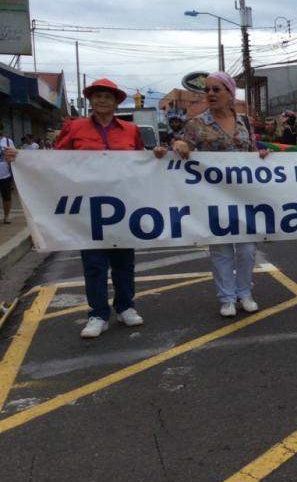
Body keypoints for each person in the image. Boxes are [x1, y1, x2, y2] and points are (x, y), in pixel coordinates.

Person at [40, 79, 164, 337]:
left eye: (108, 96)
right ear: (90, 100)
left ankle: (126, 307)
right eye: (97, 96)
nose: (102, 101)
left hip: (123, 205)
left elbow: (141, 162)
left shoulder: (130, 130)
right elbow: (54, 160)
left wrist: (159, 155)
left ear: (116, 102)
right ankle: (98, 314)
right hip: (89, 206)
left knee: (124, 261)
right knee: (94, 263)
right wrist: (20, 159)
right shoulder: (75, 127)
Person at [172, 72, 269, 317]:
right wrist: (179, 145)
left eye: (217, 89)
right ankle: (227, 298)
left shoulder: (245, 122)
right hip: (213, 197)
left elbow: (251, 152)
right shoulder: (196, 124)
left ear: (230, 93)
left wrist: (261, 156)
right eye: (207, 90)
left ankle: (244, 293)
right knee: (221, 250)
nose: (211, 94)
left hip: (243, 196)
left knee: (247, 249)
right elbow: (184, 151)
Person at [0, 124, 16, 224]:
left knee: (6, 197)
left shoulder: (7, 141)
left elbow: (14, 156)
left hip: (5, 175)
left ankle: (6, 216)